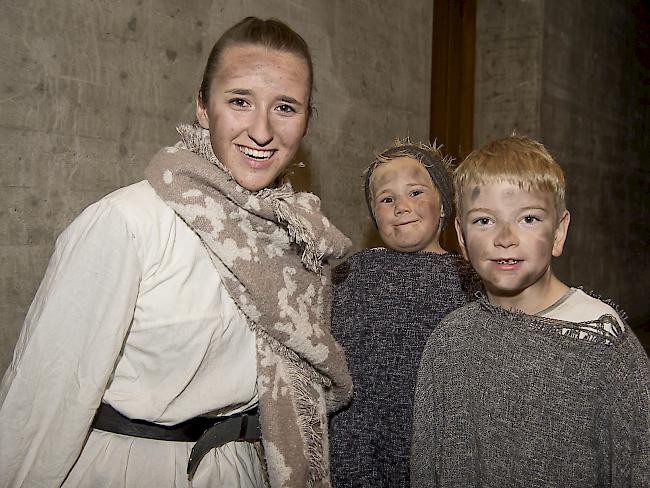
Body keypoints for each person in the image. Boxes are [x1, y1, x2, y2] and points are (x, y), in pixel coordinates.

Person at [0, 17, 353, 488]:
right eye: (240, 101)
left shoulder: (297, 241)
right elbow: (46, 396)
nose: (262, 130)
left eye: (285, 107)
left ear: (308, 119)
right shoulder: (128, 222)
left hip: (241, 470)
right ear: (203, 107)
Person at [410, 134, 650, 487]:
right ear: (461, 236)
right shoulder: (450, 341)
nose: (505, 237)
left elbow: (636, 468)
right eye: (484, 221)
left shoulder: (603, 344)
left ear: (559, 232)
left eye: (528, 219)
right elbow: (426, 466)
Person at [328, 140, 479, 487]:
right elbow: (336, 375)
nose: (401, 207)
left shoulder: (472, 282)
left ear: (443, 204)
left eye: (415, 192)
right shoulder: (352, 276)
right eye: (386, 198)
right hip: (357, 452)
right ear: (374, 215)